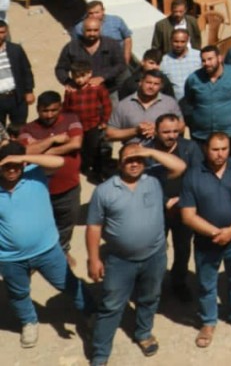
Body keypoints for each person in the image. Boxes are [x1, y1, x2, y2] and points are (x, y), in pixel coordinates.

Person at [86, 143, 186, 364]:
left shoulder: (154, 179)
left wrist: (149, 152)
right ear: (119, 162)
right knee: (111, 305)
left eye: (138, 159)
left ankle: (143, 333)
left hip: (155, 256)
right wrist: (93, 259)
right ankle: (101, 353)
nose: (134, 163)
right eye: (128, 159)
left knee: (150, 297)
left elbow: (180, 166)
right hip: (119, 261)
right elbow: (94, 227)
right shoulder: (104, 190)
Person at [0, 141, 86, 351]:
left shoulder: (35, 174)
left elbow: (58, 161)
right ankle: (29, 322)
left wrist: (22, 158)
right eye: (6, 166)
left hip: (47, 249)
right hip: (10, 257)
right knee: (18, 293)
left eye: (16, 166)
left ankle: (91, 312)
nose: (11, 170)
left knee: (68, 284)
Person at [180, 132, 231, 348]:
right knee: (206, 284)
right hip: (207, 243)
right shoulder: (193, 175)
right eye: (215, 149)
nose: (220, 154)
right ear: (206, 149)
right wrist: (216, 233)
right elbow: (188, 215)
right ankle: (208, 321)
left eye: (224, 149)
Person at [18, 92, 84, 253]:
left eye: (53, 110)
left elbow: (75, 143)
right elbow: (26, 151)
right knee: (40, 224)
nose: (49, 115)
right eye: (44, 111)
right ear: (37, 109)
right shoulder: (28, 129)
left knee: (66, 224)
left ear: (60, 108)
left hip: (69, 187)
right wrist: (52, 140)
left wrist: (42, 153)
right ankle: (41, 255)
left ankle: (62, 252)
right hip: (40, 190)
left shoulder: (71, 120)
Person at [144, 113, 200, 299]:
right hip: (155, 210)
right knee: (155, 250)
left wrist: (183, 201)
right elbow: (143, 184)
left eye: (176, 131)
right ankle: (153, 285)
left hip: (183, 208)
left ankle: (179, 282)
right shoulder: (147, 151)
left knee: (183, 248)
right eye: (166, 132)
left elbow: (197, 177)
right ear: (156, 131)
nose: (171, 135)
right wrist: (165, 201)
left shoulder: (190, 148)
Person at [180, 45, 231, 147]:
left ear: (219, 58)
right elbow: (188, 103)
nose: (207, 63)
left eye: (210, 59)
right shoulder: (193, 79)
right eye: (203, 60)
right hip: (202, 136)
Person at [62, 62, 112, 182]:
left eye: (82, 76)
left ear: (89, 74)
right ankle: (81, 167)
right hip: (77, 126)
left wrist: (104, 121)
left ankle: (95, 170)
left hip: (93, 124)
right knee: (79, 147)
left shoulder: (97, 88)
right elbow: (66, 107)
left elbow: (107, 105)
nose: (79, 80)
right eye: (76, 76)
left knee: (94, 147)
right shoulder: (70, 90)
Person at [106, 69, 180, 145]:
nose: (151, 86)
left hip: (162, 150)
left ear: (160, 86)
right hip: (134, 150)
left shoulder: (170, 103)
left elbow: (181, 126)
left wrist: (159, 130)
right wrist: (136, 131)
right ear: (140, 82)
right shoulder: (124, 105)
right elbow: (109, 134)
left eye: (156, 84)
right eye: (148, 82)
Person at [0, 20, 35, 134]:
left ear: (6, 32)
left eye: (2, 32)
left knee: (20, 130)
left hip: (16, 97)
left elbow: (26, 70)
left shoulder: (15, 50)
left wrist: (29, 91)